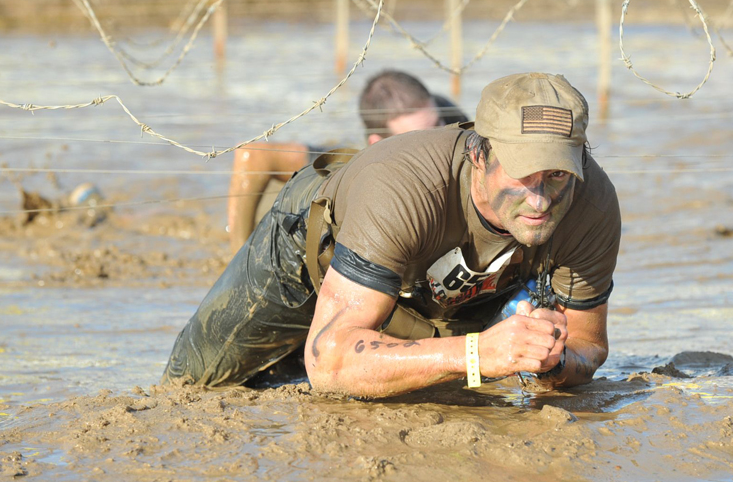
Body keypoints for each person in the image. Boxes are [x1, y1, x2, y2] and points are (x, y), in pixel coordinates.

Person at [165, 72, 620, 398]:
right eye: (523, 175)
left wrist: (555, 360)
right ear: (479, 155)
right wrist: (479, 353)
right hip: (309, 255)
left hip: (437, 285)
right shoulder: (400, 185)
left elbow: (589, 345)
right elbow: (330, 361)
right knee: (193, 385)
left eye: (558, 174)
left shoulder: (591, 203)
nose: (540, 201)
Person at [226, 70, 467, 251]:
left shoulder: (453, 123)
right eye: (417, 141)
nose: (436, 144)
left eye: (437, 127)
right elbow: (254, 156)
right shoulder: (356, 167)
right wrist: (239, 258)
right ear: (378, 143)